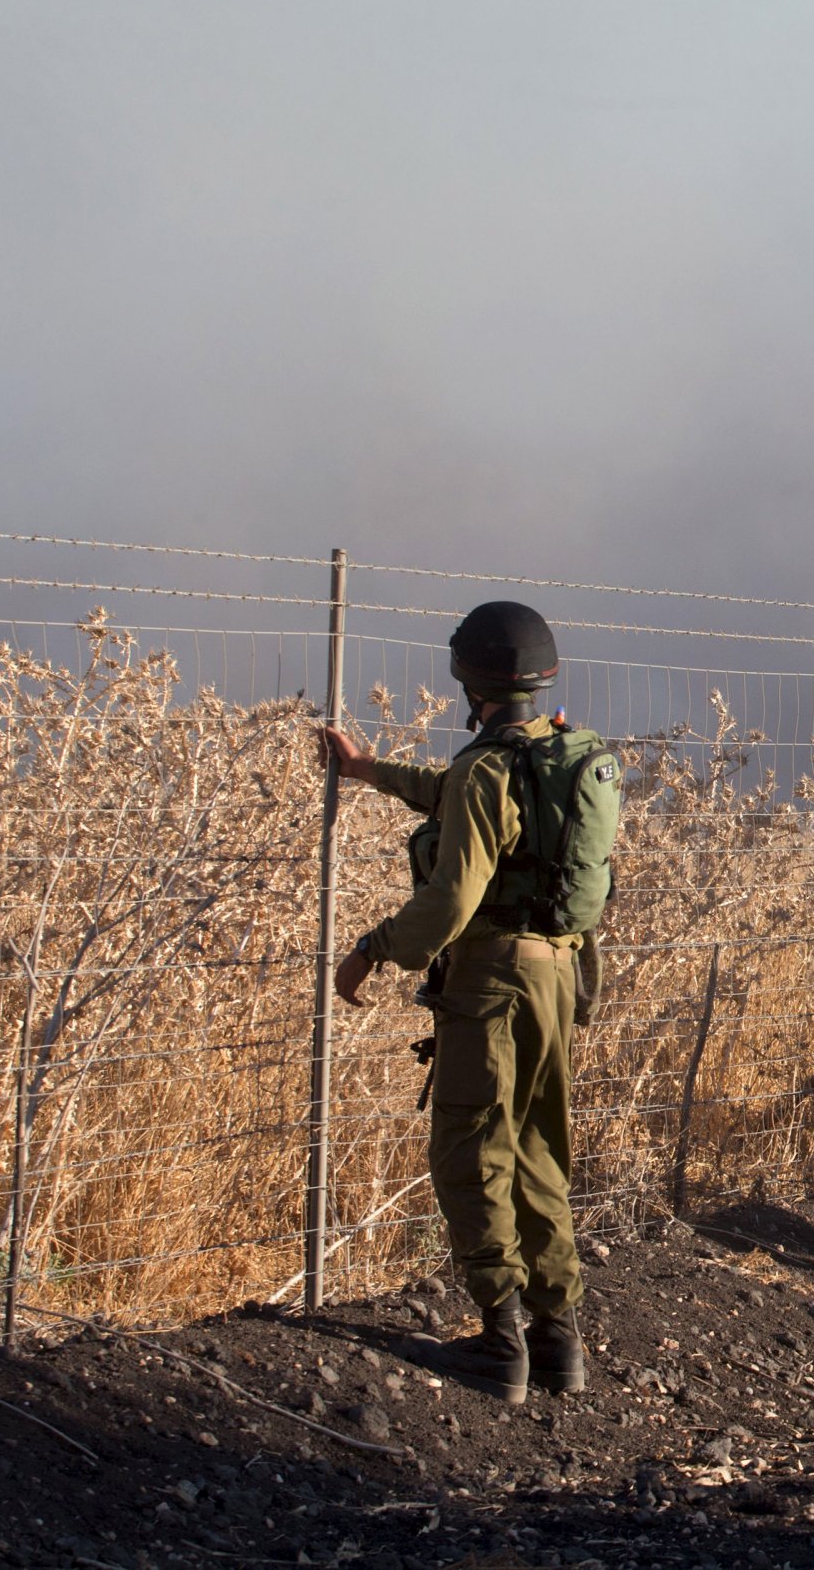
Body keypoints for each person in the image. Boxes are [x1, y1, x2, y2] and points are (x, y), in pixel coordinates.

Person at [320, 600, 618, 1404]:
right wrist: (369, 769)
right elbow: (461, 794)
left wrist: (370, 949)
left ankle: (501, 1342)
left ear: (471, 680)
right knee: (537, 1148)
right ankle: (559, 1341)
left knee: (471, 1147)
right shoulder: (559, 753)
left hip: (489, 978)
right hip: (558, 974)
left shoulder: (489, 769)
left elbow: (452, 899)